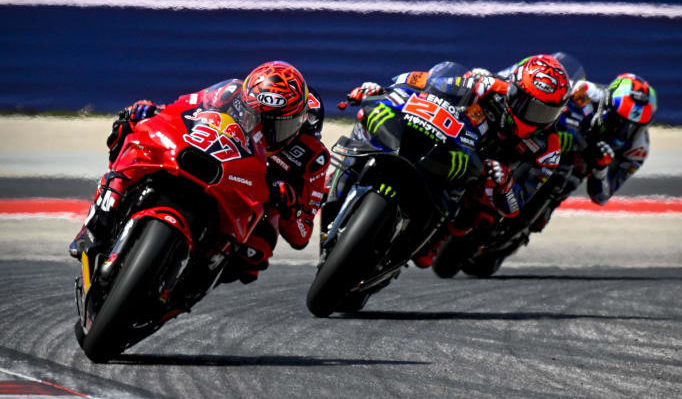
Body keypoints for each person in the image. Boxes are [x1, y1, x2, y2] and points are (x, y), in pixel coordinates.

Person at [69, 61, 330, 284]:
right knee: (129, 130)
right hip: (216, 165)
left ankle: (193, 278)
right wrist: (152, 110)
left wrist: (291, 203)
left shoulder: (313, 157)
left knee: (255, 255)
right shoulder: (231, 93)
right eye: (260, 118)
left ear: (300, 121)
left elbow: (302, 234)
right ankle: (96, 223)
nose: (267, 131)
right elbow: (184, 107)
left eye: (279, 124)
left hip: (255, 201)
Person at [344, 54, 571, 268]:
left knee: (480, 220)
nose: (535, 118)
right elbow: (425, 81)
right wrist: (384, 90)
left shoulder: (548, 150)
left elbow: (516, 205)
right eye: (531, 107)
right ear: (513, 91)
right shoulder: (488, 86)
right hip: (451, 146)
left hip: (485, 178)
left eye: (546, 113)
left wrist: (505, 183)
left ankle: (434, 237)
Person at [529, 73, 658, 232]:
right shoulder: (594, 94)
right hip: (564, 137)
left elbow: (602, 196)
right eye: (618, 121)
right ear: (608, 104)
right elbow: (573, 88)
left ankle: (548, 204)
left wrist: (601, 169)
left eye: (635, 128)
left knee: (541, 218)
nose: (623, 131)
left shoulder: (638, 150)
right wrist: (585, 120)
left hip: (581, 163)